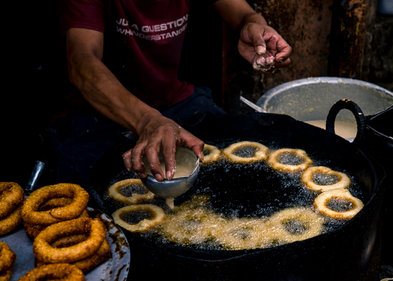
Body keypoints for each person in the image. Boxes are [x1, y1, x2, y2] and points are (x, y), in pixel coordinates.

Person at [51, 0, 292, 185]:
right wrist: (148, 121)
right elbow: (82, 62)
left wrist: (253, 23)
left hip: (176, 100)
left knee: (239, 164)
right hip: (102, 113)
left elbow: (243, 14)